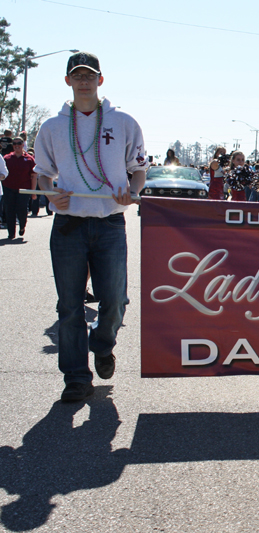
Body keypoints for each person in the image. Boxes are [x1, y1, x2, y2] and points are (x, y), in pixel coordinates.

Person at [34, 51, 148, 402]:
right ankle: (76, 377)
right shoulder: (52, 127)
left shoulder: (123, 122)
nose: (84, 81)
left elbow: (139, 168)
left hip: (110, 223)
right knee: (69, 305)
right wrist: (52, 196)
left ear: (100, 80)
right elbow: (42, 173)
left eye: (90, 75)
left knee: (114, 300)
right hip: (68, 226)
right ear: (68, 81)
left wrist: (133, 191)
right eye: (77, 75)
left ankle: (102, 343)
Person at [2, 137, 37, 239]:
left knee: (22, 210)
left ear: (23, 144)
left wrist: (33, 191)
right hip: (8, 188)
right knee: (9, 210)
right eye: (14, 143)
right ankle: (11, 233)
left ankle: (22, 226)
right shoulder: (7, 158)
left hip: (24, 189)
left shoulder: (29, 159)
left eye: (19, 143)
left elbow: (34, 176)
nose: (17, 145)